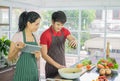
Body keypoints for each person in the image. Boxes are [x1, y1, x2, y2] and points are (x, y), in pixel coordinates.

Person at [40, 11, 77, 78]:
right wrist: (58, 66)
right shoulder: (45, 35)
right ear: (52, 21)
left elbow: (71, 38)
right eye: (58, 24)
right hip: (51, 68)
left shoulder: (64, 31)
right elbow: (44, 55)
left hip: (62, 66)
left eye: (62, 25)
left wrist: (74, 41)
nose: (60, 27)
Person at [8, 11, 41, 81]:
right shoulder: (17, 36)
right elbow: (10, 58)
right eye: (36, 24)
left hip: (33, 73)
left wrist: (38, 56)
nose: (38, 27)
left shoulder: (36, 37)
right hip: (21, 74)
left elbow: (37, 58)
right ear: (28, 23)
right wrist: (17, 49)